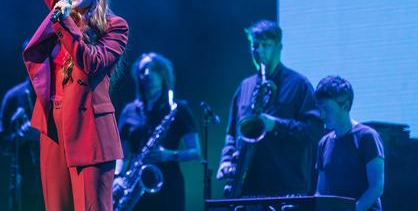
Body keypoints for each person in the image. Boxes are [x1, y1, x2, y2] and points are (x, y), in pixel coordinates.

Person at [18, 0, 129, 211]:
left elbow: (91, 62)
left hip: (91, 136)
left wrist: (64, 20)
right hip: (54, 130)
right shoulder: (61, 10)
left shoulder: (115, 27)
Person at [217, 20, 323, 196]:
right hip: (247, 187)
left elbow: (315, 131)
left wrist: (276, 125)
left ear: (279, 47)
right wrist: (226, 160)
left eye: (266, 45)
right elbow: (231, 133)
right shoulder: (245, 86)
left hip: (285, 187)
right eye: (255, 45)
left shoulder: (299, 84)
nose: (259, 51)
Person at [115, 52, 201, 210]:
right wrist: (118, 176)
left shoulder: (178, 109)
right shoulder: (129, 110)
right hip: (135, 185)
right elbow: (122, 153)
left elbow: (195, 152)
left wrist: (169, 154)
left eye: (153, 69)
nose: (147, 74)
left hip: (169, 185)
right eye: (142, 70)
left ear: (163, 74)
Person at [314, 75, 384, 211]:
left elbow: (376, 188)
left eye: (327, 109)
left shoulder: (367, 137)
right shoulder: (324, 143)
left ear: (345, 105)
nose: (321, 115)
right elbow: (320, 192)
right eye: (320, 109)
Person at [0, 75, 44, 211]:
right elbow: (3, 143)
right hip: (25, 182)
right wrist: (21, 136)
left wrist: (42, 137)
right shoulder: (13, 96)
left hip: (54, 180)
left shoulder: (58, 95)